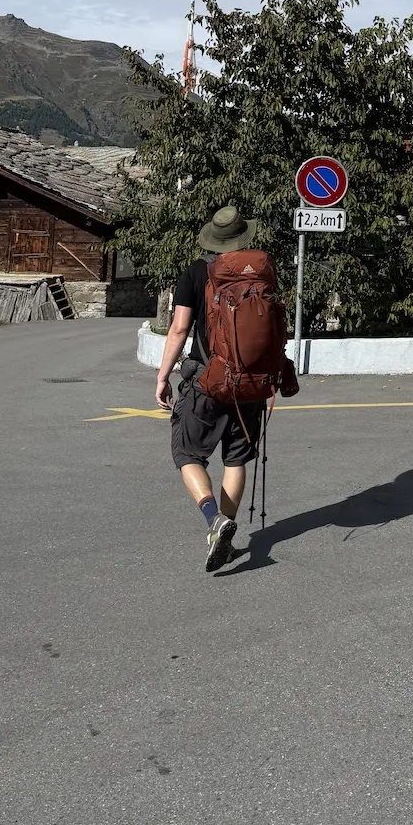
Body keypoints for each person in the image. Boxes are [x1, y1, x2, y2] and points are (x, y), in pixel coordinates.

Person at [155, 205, 267, 573]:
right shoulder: (262, 271)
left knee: (187, 453)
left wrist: (163, 376)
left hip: (207, 380)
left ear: (213, 239)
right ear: (243, 237)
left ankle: (214, 520)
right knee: (235, 459)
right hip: (250, 384)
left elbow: (179, 329)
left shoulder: (196, 271)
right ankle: (225, 536)